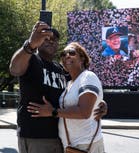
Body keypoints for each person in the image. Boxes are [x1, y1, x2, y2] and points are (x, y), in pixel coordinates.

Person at [9, 21, 107, 153]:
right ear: (38, 40)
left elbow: (78, 93)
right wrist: (30, 44)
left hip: (59, 139)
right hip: (35, 136)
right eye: (46, 38)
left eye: (55, 40)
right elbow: (14, 69)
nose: (51, 41)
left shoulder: (62, 71)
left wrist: (100, 104)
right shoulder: (31, 59)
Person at [27, 42, 105, 153]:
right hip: (71, 146)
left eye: (72, 53)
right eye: (63, 54)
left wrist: (53, 112)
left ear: (82, 59)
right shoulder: (69, 83)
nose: (67, 56)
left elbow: (84, 112)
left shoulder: (88, 76)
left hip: (86, 146)